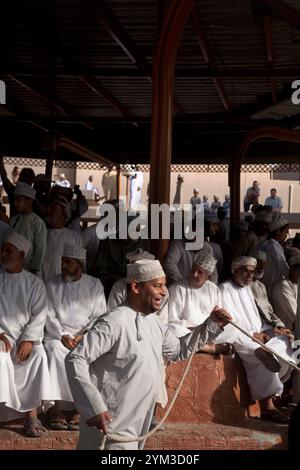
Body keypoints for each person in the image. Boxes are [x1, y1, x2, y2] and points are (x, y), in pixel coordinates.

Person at [65, 259, 231, 450]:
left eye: (164, 286)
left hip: (138, 424)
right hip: (111, 423)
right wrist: (93, 406)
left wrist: (211, 324)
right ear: (136, 287)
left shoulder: (156, 323)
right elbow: (75, 358)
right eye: (158, 286)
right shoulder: (114, 321)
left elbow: (178, 350)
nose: (164, 292)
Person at [219, 256, 294, 423]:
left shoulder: (248, 289)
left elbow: (256, 321)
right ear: (234, 270)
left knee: (286, 342)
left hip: (257, 333)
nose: (248, 276)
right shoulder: (224, 289)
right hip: (238, 335)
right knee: (256, 353)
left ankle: (270, 353)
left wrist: (272, 331)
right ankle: (267, 407)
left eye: (251, 272)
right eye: (244, 271)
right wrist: (252, 335)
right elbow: (227, 323)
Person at [44, 243, 106, 430]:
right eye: (62, 261)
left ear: (80, 266)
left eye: (68, 262)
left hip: (84, 336)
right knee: (54, 351)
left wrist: (83, 336)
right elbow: (47, 312)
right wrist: (63, 335)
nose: (63, 266)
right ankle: (56, 408)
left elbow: (99, 315)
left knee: (87, 356)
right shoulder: (52, 283)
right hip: (57, 335)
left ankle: (80, 408)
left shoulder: (94, 285)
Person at [0, 232, 51, 436]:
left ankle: (32, 417)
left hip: (24, 338)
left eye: (8, 251)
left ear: (21, 255)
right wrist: (1, 334)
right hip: (2, 338)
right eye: (2, 250)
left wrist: (29, 339)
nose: (3, 254)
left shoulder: (35, 283)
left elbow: (40, 313)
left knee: (39, 355)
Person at [8, 182, 47, 275]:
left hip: (29, 269)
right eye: (14, 200)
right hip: (13, 267)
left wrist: (34, 269)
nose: (15, 203)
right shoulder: (14, 220)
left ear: (29, 201)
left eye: (18, 200)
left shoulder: (37, 222)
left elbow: (40, 249)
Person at [42, 195, 82, 282]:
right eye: (48, 207)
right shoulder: (40, 233)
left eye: (53, 209)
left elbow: (78, 266)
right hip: (39, 286)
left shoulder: (74, 237)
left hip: (62, 287)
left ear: (63, 214)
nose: (48, 210)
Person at [259, 215, 290, 298]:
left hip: (265, 282)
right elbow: (284, 267)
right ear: (278, 232)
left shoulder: (265, 243)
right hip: (271, 283)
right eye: (286, 232)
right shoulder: (274, 246)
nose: (286, 235)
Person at [271, 255, 300, 330]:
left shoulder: (297, 284)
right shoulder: (283, 286)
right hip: (287, 330)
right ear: (292, 269)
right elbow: (296, 314)